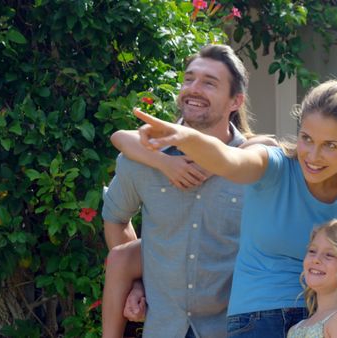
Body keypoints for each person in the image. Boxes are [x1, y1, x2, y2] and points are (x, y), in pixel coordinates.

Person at [132, 79, 337, 337]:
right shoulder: (273, 167)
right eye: (306, 139)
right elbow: (228, 159)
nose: (312, 155)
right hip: (258, 320)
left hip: (327, 321)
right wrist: (187, 138)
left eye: (330, 145)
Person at [102, 44, 257, 338]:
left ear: (235, 101)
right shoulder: (141, 158)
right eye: (189, 79)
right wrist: (136, 280)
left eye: (209, 83)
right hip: (163, 328)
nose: (193, 89)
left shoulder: (255, 164)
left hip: (233, 330)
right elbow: (116, 218)